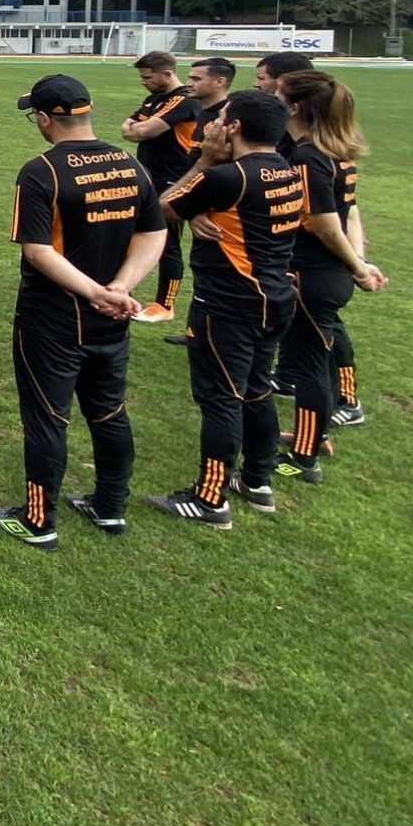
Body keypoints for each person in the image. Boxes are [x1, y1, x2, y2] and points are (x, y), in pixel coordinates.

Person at [0, 76, 166, 550]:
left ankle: (39, 521)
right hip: (113, 317)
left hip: (55, 318)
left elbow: (38, 250)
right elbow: (154, 234)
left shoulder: (41, 171)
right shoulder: (130, 164)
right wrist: (120, 288)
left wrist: (96, 291)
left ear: (45, 119)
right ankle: (110, 507)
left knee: (47, 418)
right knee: (109, 412)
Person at [148, 90, 304, 528]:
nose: (213, 125)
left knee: (221, 398)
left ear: (233, 127)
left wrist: (204, 163)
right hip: (276, 298)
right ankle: (257, 480)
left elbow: (159, 209)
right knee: (256, 390)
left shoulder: (225, 177)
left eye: (221, 120)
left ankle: (210, 499)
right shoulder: (286, 170)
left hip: (228, 303)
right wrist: (196, 210)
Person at [276, 71, 386, 479]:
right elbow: (350, 214)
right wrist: (358, 261)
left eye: (280, 96)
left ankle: (304, 459)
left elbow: (323, 223)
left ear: (295, 107)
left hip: (309, 275)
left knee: (309, 366)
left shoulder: (307, 158)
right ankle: (312, 435)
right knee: (315, 360)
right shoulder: (339, 155)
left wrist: (357, 266)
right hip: (329, 273)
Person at [121, 54, 235, 324]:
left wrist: (140, 127)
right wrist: (138, 128)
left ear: (166, 74)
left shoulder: (185, 100)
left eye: (147, 77)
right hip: (149, 177)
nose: (143, 83)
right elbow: (128, 129)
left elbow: (144, 130)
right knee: (134, 234)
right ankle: (125, 287)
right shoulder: (154, 100)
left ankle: (165, 304)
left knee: (167, 243)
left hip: (174, 179)